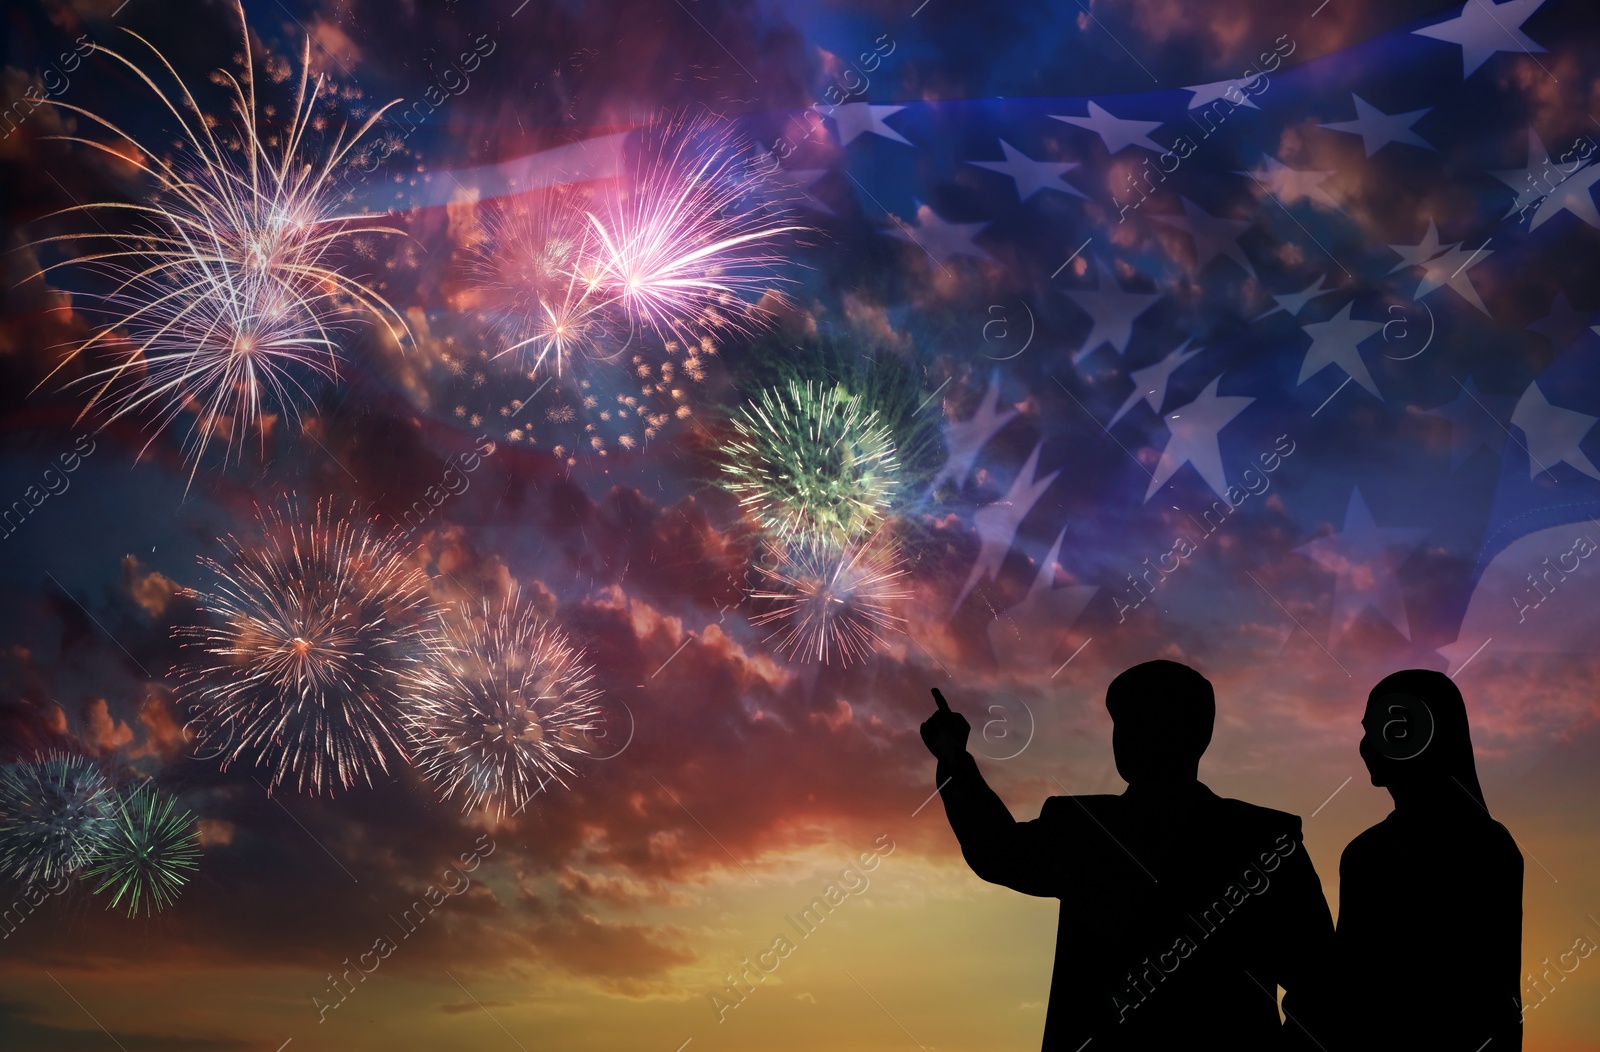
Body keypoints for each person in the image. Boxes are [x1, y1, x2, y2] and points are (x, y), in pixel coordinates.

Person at [919, 659, 1336, 1051]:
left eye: (1144, 722)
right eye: (1126, 722)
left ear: (1191, 735)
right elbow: (1320, 987)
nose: (1131, 735)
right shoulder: (1261, 840)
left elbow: (996, 849)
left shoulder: (1083, 829)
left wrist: (955, 761)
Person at [1333, 669, 1522, 1050]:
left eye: (1391, 726)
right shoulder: (1365, 853)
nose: (1368, 744)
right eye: (1368, 728)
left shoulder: (1483, 848)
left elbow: (1492, 999)